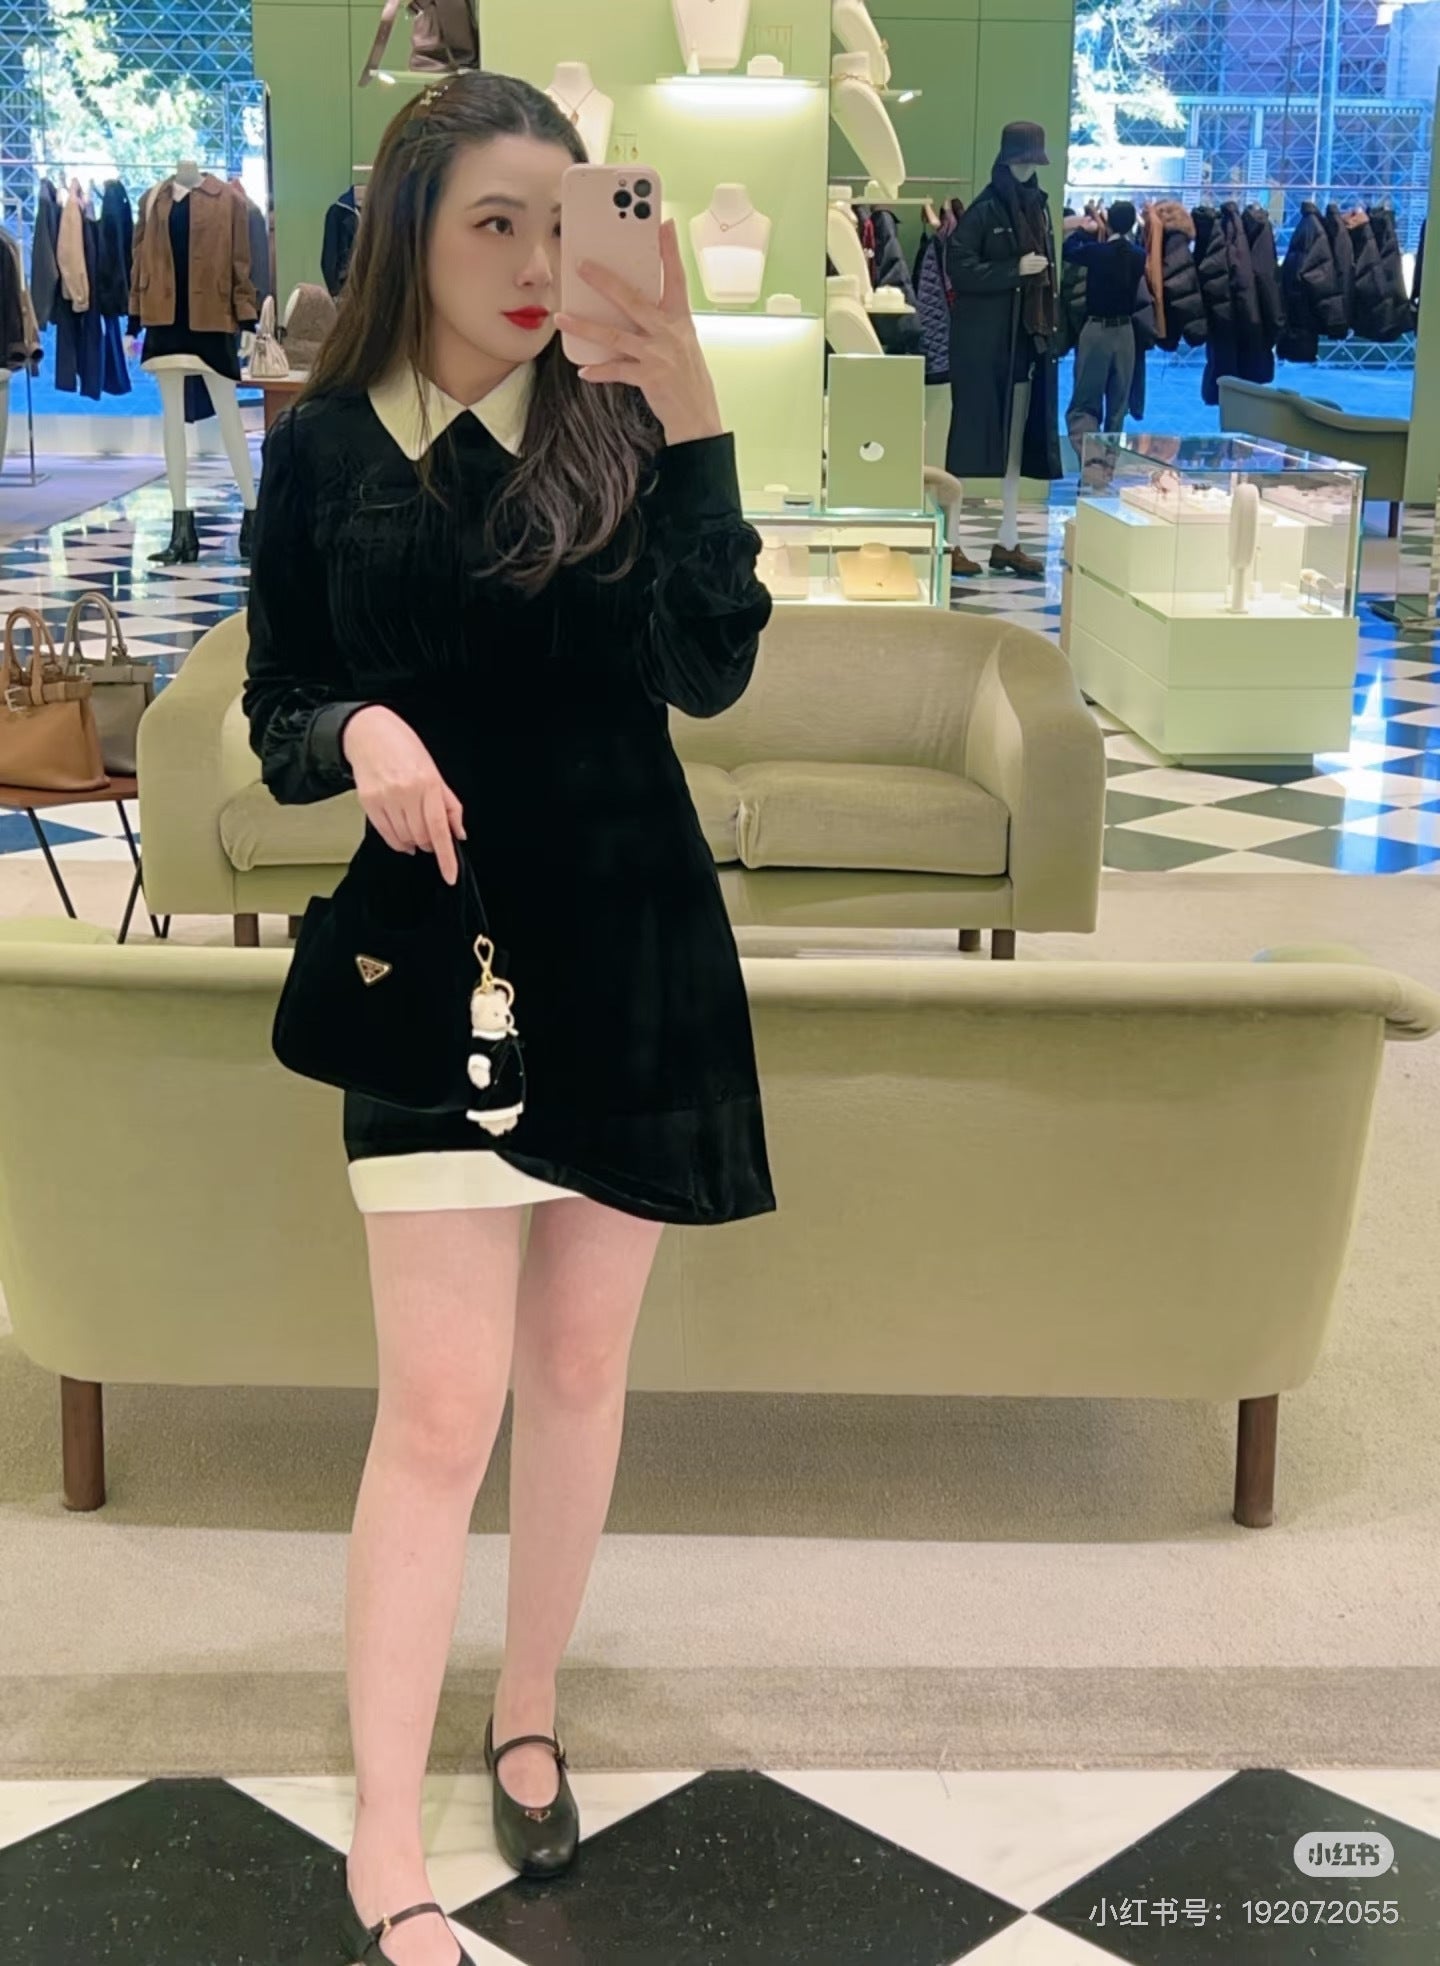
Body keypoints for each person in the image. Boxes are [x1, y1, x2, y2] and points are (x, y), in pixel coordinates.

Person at [242, 70, 777, 1966]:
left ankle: (528, 1708)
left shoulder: (619, 416)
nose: (539, 261)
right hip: (434, 964)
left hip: (630, 944)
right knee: (439, 1404)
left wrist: (691, 400)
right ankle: (384, 1831)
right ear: (414, 233)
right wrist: (361, 728)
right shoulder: (322, 449)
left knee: (577, 1368)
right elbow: (279, 707)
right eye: (496, 222)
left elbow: (708, 664)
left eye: (564, 220)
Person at [1062, 199, 1148, 465]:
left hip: (1096, 330)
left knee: (1084, 403)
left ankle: (1092, 464)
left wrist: (1083, 229)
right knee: (1118, 405)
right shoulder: (1138, 255)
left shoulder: (1096, 252)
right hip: (1125, 333)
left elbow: (1068, 250)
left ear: (1108, 222)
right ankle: (1108, 467)